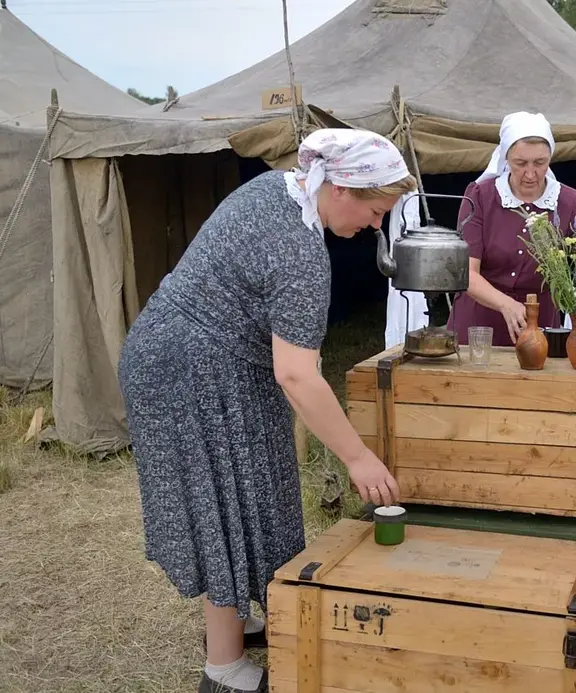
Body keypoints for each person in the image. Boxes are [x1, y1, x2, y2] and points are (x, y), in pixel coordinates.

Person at [117, 128, 416, 693]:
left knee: (253, 486)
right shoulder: (301, 254)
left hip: (188, 353)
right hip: (187, 372)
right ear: (344, 188)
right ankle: (224, 669)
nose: (376, 225)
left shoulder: (278, 189)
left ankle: (235, 613)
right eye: (377, 211)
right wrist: (358, 458)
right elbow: (298, 375)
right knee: (222, 502)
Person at [446, 111, 576, 346]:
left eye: (540, 163)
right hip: (477, 325)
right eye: (520, 163)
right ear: (506, 158)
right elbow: (467, 273)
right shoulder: (480, 197)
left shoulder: (571, 202)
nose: (530, 173)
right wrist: (506, 304)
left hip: (540, 327)